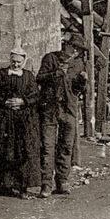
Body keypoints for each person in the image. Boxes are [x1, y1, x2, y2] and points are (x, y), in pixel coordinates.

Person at [0, 39, 41, 199]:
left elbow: (36, 95)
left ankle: (22, 186)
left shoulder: (29, 77)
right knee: (4, 151)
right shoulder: (1, 75)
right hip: (3, 119)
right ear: (10, 60)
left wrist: (23, 102)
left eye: (18, 62)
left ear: (24, 61)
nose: (15, 65)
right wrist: (4, 102)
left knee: (22, 152)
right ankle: (5, 186)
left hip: (23, 121)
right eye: (13, 61)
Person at [36, 34, 88, 198]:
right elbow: (39, 78)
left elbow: (78, 90)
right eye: (73, 47)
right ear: (65, 45)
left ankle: (62, 181)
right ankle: (46, 184)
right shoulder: (50, 58)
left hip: (69, 109)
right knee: (47, 147)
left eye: (78, 49)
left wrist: (82, 81)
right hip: (50, 108)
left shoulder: (79, 64)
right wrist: (56, 73)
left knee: (66, 146)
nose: (75, 51)